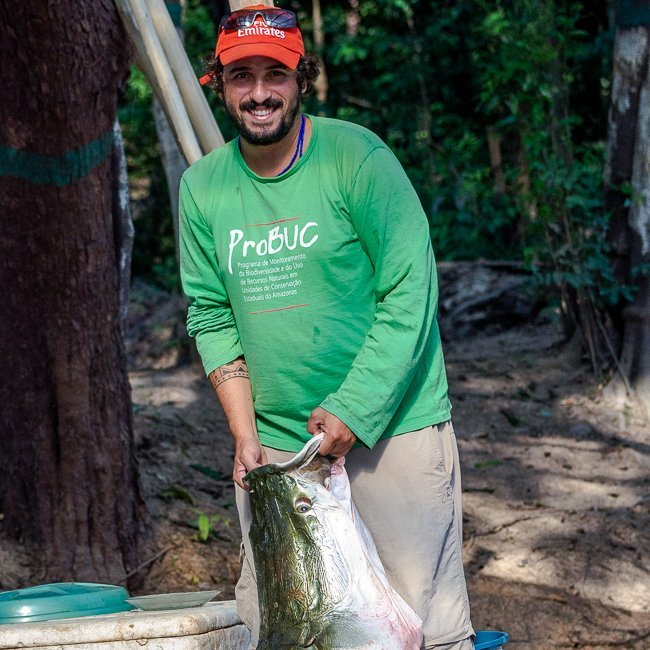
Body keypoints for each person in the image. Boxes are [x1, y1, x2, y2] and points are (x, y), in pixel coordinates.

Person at [179, 5, 474, 648]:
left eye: (274, 75)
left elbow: (410, 292)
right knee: (290, 628)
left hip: (391, 427)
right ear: (220, 85)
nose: (259, 93)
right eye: (241, 77)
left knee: (413, 626)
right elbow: (211, 312)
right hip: (281, 447)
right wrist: (243, 433)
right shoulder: (203, 188)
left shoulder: (357, 159)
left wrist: (353, 407)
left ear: (301, 79)